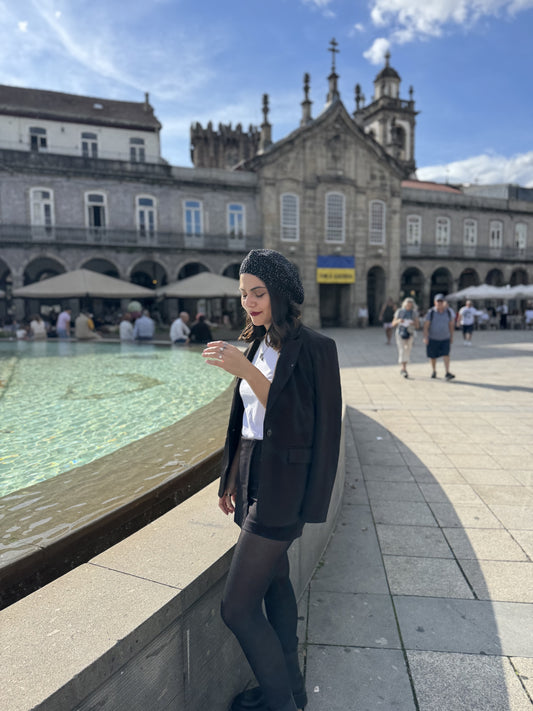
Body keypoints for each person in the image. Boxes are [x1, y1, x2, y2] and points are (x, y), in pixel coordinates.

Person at [202, 249, 342, 711]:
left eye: (257, 293)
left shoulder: (314, 347)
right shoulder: (258, 343)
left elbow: (297, 423)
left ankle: (280, 704)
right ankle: (292, 690)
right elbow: (247, 419)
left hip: (283, 485)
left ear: (281, 293)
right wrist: (230, 476)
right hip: (252, 474)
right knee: (277, 585)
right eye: (243, 294)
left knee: (237, 608)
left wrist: (244, 371)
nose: (249, 302)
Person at [423, 294, 455, 380]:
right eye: (438, 301)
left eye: (441, 301)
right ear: (435, 302)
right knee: (433, 356)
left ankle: (447, 372)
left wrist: (451, 336)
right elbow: (426, 326)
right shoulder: (431, 312)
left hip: (445, 337)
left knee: (446, 354)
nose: (440, 303)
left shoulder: (448, 312)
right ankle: (434, 370)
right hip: (433, 338)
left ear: (444, 302)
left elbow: (451, 325)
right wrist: (425, 337)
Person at [392, 297, 420, 378]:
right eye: (408, 305)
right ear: (404, 304)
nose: (409, 306)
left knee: (408, 349)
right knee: (402, 349)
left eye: (410, 305)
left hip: (410, 333)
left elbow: (417, 325)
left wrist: (413, 323)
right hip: (400, 332)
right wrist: (399, 321)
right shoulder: (399, 311)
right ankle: (403, 368)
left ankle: (405, 365)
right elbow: (393, 323)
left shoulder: (414, 313)